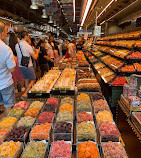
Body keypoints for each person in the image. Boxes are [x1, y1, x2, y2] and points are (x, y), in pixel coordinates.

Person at [15, 31, 40, 99]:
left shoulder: (17, 45)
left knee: (26, 79)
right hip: (28, 65)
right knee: (33, 79)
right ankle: (25, 94)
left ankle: (27, 93)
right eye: (28, 36)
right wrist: (37, 52)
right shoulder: (27, 46)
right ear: (26, 36)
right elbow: (35, 57)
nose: (29, 37)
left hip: (21, 65)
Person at [0, 22, 16, 113]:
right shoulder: (5, 48)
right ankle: (7, 126)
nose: (6, 35)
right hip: (5, 83)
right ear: (2, 33)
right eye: (6, 32)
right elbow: (12, 69)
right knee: (8, 107)